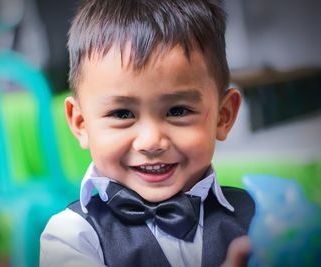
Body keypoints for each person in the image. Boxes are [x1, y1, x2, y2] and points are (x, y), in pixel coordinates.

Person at [40, 0, 254, 266]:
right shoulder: (73, 236)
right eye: (122, 114)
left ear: (223, 116)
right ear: (81, 123)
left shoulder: (261, 220)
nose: (151, 142)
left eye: (177, 111)